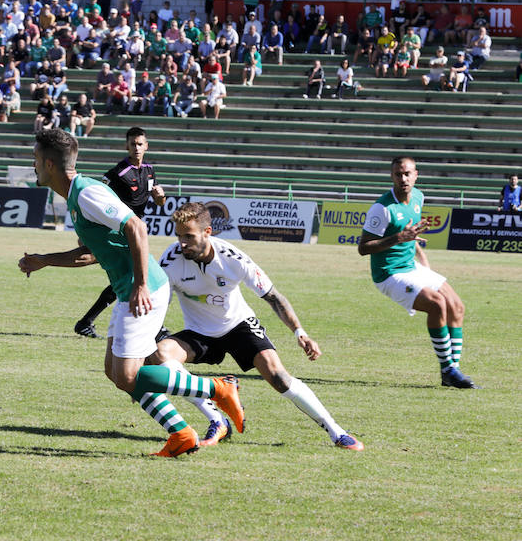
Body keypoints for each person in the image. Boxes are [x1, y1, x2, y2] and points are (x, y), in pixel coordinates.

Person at [18, 129, 245, 457]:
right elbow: (92, 254)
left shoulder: (85, 194)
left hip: (143, 289)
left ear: (49, 164)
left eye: (36, 159)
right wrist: (44, 261)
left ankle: (217, 389)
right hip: (133, 289)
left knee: (127, 374)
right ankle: (181, 433)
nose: (33, 164)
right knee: (116, 372)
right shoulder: (76, 197)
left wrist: (139, 285)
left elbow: (136, 227)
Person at [155, 202, 364, 450]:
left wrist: (300, 332)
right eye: (178, 236)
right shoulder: (170, 261)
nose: (182, 243)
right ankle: (217, 418)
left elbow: (273, 297)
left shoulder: (233, 258)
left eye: (188, 236)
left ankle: (337, 432)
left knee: (278, 376)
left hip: (238, 325)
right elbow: (157, 306)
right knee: (160, 356)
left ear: (208, 232)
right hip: (199, 332)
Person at [358, 157, 479, 389]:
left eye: (407, 174)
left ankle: (452, 369)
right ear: (391, 176)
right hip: (389, 273)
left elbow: (410, 235)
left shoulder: (418, 198)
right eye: (398, 174)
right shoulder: (382, 208)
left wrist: (421, 258)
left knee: (457, 306)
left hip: (412, 267)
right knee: (437, 304)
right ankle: (448, 369)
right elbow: (363, 248)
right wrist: (398, 238)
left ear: (416, 175)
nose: (403, 179)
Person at [73, 126, 166, 340]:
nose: (136, 148)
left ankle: (86, 322)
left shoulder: (150, 171)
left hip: (136, 231)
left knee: (128, 278)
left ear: (146, 146)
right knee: (138, 276)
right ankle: (157, 331)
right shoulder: (117, 173)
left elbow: (159, 201)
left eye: (140, 144)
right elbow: (95, 195)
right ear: (126, 146)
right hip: (120, 230)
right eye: (132, 144)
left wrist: (160, 196)